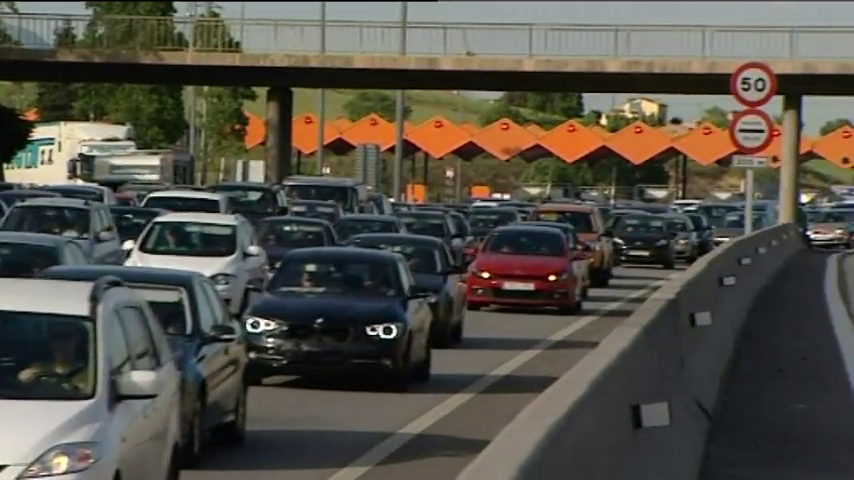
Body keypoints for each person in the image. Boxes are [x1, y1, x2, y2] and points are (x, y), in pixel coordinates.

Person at [18, 322, 91, 392]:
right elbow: (23, 380)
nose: (61, 342)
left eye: (66, 337)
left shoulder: (90, 371)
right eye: (55, 337)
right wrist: (25, 378)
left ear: (78, 339)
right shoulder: (39, 367)